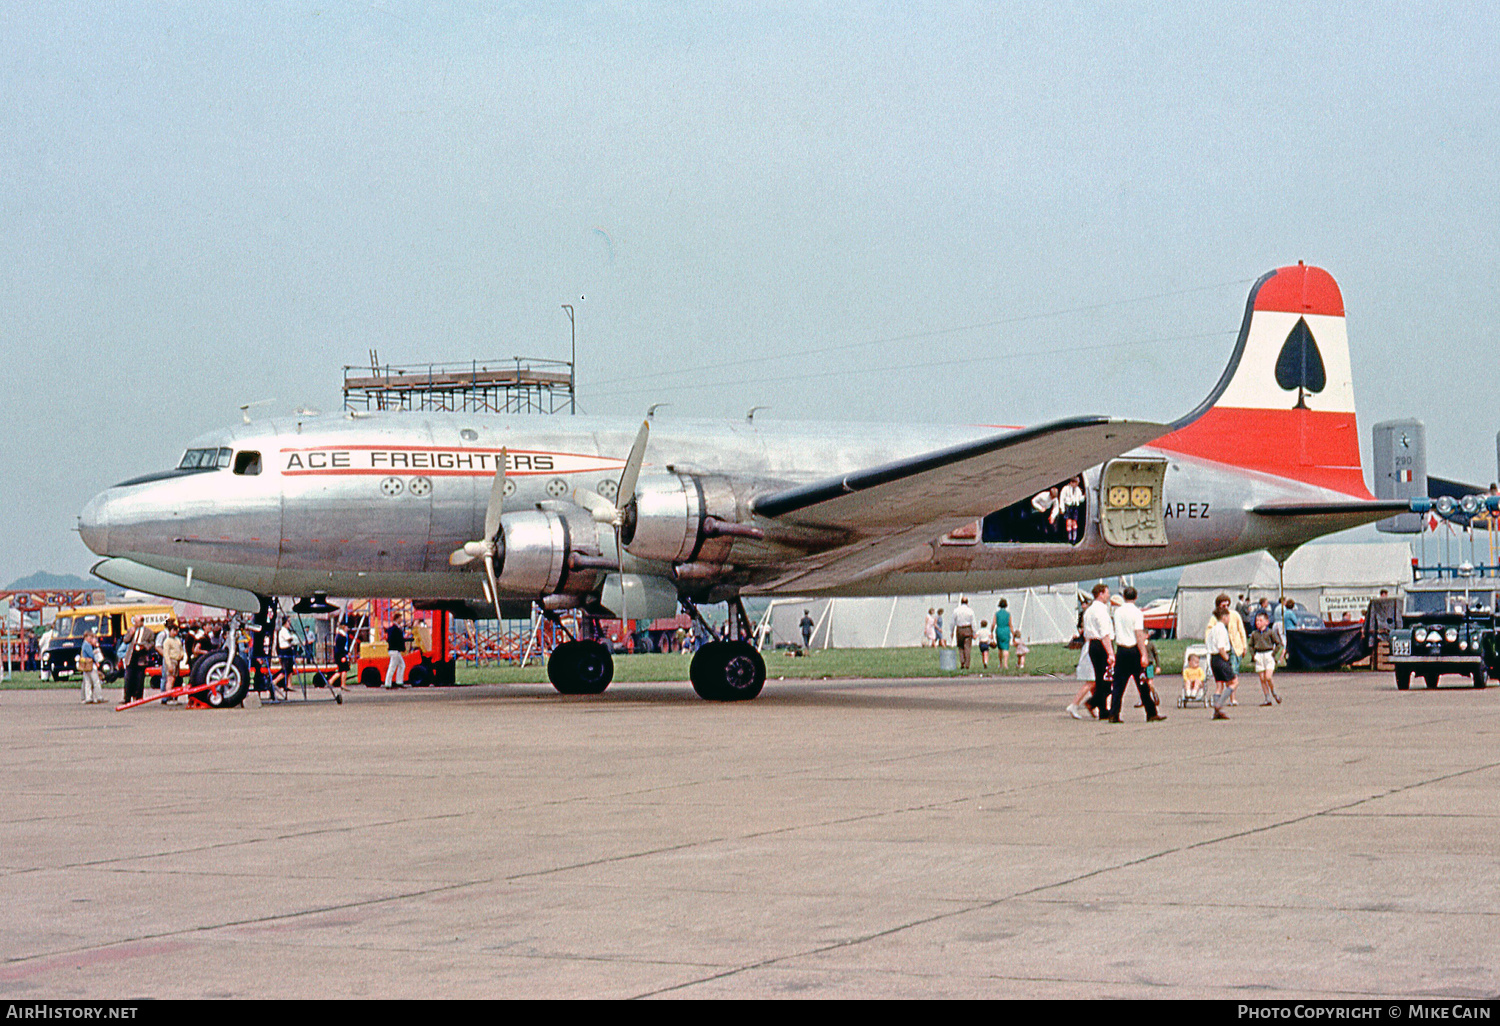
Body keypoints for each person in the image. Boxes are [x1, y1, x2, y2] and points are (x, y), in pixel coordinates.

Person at [1108, 586, 1164, 722]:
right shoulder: (1137, 613)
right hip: (1133, 650)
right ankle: (1151, 712)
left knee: (1119, 684)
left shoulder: (1118, 612)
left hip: (1121, 649)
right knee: (1142, 682)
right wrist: (1144, 654)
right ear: (1136, 597)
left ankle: (1114, 713)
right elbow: (1139, 634)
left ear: (1124, 597)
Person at [1068, 583, 1113, 720]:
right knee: (1105, 680)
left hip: (1091, 644)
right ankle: (1092, 703)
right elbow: (1104, 633)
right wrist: (1110, 652)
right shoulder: (1101, 611)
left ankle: (1103, 709)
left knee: (1099, 679)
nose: (1108, 595)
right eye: (1107, 592)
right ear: (1101, 594)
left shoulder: (1089, 611)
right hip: (1100, 644)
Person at [1203, 593, 1246, 704]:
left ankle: (1225, 701)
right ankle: (1220, 703)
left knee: (1223, 682)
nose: (1226, 608)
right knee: (1233, 680)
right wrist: (1226, 657)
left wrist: (1243, 646)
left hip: (1230, 649)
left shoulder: (1234, 615)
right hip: (1222, 655)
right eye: (1223, 606)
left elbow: (1241, 630)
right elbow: (1219, 645)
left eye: (1227, 605)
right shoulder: (1218, 625)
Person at [1208, 606, 1238, 719]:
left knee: (1219, 685)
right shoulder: (1221, 629)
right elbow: (1221, 648)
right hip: (1221, 658)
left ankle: (1216, 713)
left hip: (1213, 658)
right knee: (1234, 682)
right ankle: (1219, 704)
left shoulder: (1213, 629)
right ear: (1224, 617)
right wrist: (1226, 658)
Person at [1249, 611, 1283, 705]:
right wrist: (1253, 655)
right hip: (1259, 655)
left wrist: (1273, 654)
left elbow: (1278, 643)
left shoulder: (1270, 632)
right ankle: (1267, 698)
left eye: (1260, 620)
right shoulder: (1254, 634)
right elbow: (1250, 645)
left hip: (1268, 654)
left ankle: (1274, 693)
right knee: (1262, 678)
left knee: (1268, 677)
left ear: (1266, 622)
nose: (1258, 623)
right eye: (1257, 621)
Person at [121, 616, 152, 703]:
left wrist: (145, 646)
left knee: (139, 678)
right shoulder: (131, 630)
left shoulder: (149, 632)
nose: (135, 624)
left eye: (137, 622)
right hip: (131, 656)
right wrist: (131, 633)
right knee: (128, 678)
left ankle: (138, 697)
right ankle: (127, 697)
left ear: (142, 622)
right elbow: (125, 640)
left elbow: (151, 643)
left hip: (141, 657)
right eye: (134, 622)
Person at [159, 622, 186, 704]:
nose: (175, 632)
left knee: (175, 680)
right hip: (171, 661)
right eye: (173, 630)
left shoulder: (177, 640)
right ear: (170, 631)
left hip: (177, 661)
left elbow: (181, 649)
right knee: (170, 679)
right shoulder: (167, 641)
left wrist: (181, 655)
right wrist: (169, 664)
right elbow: (166, 654)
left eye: (176, 630)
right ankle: (168, 697)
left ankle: (174, 697)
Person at [274, 618, 299, 694]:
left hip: (289, 650)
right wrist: (294, 639)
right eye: (289, 621)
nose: (290, 623)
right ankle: (274, 682)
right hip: (284, 650)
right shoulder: (283, 630)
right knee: (286, 669)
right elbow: (290, 639)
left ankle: (289, 684)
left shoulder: (287, 631)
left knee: (290, 669)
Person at [78, 629, 103, 704]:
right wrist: (96, 661)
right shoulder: (87, 645)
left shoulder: (84, 644)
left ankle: (88, 697)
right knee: (96, 681)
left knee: (88, 682)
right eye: (90, 637)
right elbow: (91, 655)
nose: (91, 639)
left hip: (85, 665)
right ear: (86, 637)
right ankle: (99, 697)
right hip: (90, 664)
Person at [1059, 476, 1086, 544]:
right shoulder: (1065, 489)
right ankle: (1069, 538)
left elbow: (1079, 499)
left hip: (1075, 507)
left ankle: (1074, 538)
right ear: (1071, 482)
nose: (1077, 485)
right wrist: (1062, 508)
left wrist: (1084, 497)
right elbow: (1062, 499)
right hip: (1068, 506)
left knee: (1074, 522)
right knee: (1068, 523)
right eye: (1076, 483)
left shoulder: (1078, 490)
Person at [952, 597, 976, 670]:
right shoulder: (970, 611)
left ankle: (962, 661)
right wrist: (974, 632)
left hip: (959, 629)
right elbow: (973, 622)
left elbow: (952, 622)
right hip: (968, 629)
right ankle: (967, 664)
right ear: (967, 602)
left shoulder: (956, 610)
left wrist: (952, 631)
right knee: (967, 647)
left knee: (961, 647)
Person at [384, 618, 408, 688]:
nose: (401, 620)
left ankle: (399, 682)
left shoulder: (391, 629)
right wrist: (403, 648)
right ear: (397, 619)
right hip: (395, 650)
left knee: (402, 665)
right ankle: (388, 683)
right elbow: (399, 640)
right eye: (400, 618)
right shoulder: (396, 629)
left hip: (393, 650)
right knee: (392, 667)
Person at [994, 598, 1012, 670]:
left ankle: (1000, 664)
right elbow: (1010, 624)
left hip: (999, 630)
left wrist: (991, 631)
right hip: (1006, 630)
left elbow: (993, 623)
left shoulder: (997, 614)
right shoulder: (1008, 614)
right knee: (1006, 648)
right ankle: (1005, 664)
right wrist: (1013, 634)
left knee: (1000, 648)